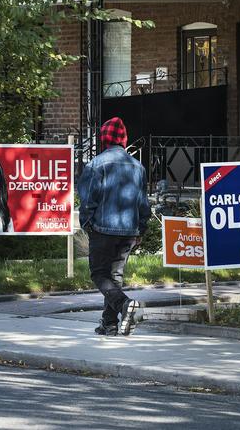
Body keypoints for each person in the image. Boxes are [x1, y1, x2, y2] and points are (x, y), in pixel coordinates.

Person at [78, 117, 150, 337]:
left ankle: (125, 305)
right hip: (129, 230)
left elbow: (88, 198)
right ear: (123, 139)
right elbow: (143, 202)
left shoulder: (96, 164)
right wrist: (141, 228)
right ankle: (109, 324)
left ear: (104, 138)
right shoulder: (138, 166)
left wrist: (87, 224)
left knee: (99, 273)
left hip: (103, 228)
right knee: (115, 276)